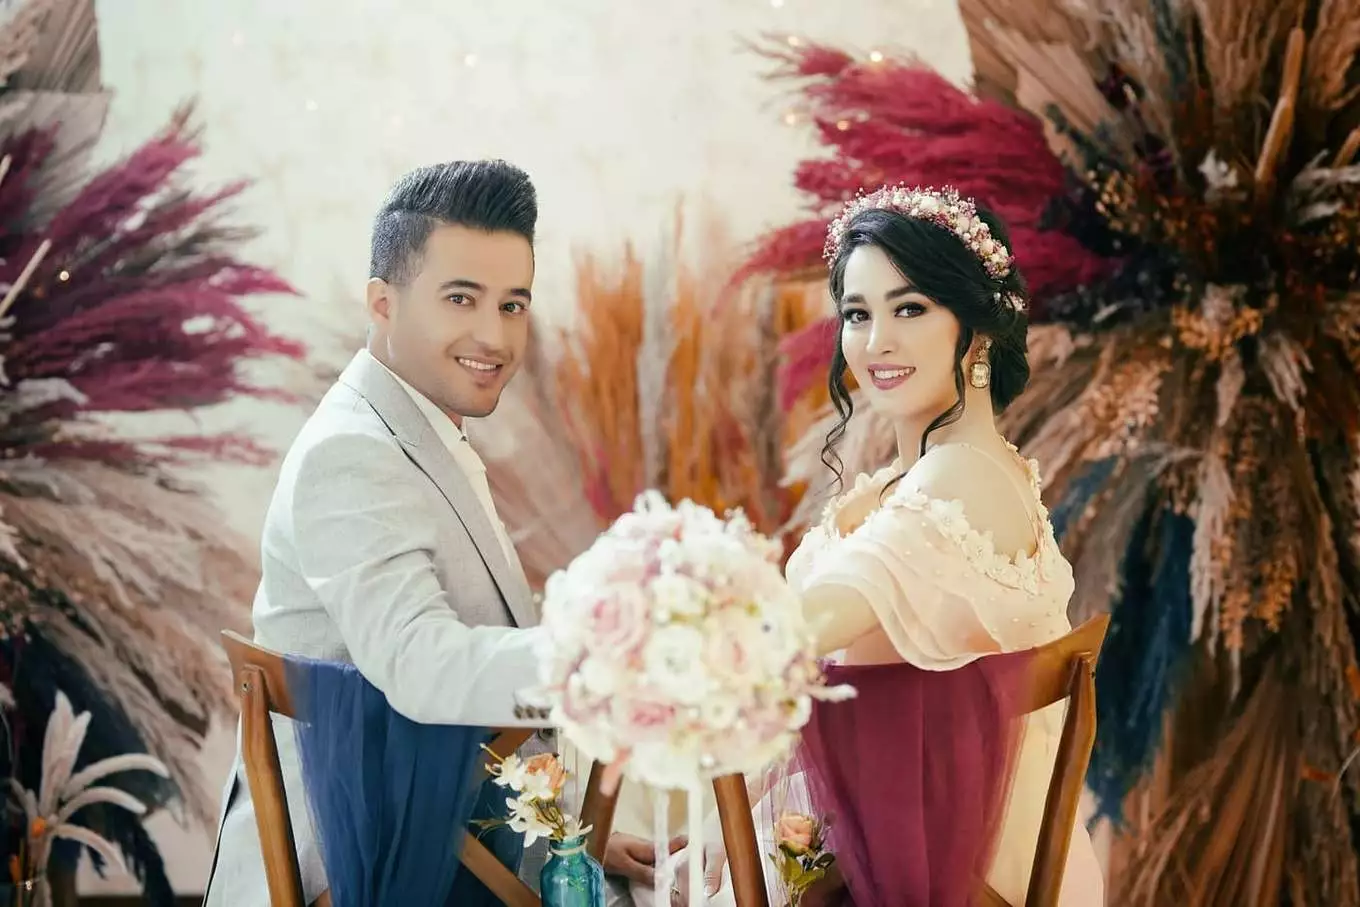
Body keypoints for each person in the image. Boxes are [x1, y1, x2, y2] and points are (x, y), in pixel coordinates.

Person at [202, 160, 672, 905]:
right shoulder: (351, 452)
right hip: (362, 872)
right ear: (382, 303)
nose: (494, 334)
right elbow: (421, 665)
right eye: (461, 299)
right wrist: (612, 660)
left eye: (512, 305)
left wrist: (562, 834)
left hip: (446, 840)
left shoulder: (418, 429)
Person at [695, 186, 1105, 906]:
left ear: (977, 329)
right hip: (875, 840)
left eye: (909, 308)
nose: (875, 341)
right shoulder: (943, 473)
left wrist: (666, 620)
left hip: (934, 870)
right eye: (858, 313)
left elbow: (796, 632)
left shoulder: (956, 484)